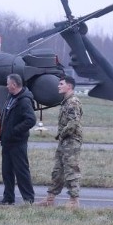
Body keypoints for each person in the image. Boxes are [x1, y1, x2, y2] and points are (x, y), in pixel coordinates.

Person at [37, 75, 83, 208]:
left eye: (61, 84)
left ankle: (74, 200)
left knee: (71, 169)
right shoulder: (66, 101)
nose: (58, 86)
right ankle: (50, 199)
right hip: (65, 140)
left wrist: (61, 134)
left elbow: (73, 122)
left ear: (69, 86)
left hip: (71, 141)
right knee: (58, 170)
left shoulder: (73, 102)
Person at [0, 73, 36, 205]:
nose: (7, 86)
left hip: (17, 142)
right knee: (6, 171)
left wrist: (14, 131)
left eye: (8, 83)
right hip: (7, 142)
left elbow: (31, 120)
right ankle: (8, 198)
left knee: (21, 171)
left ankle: (28, 199)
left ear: (14, 84)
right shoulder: (11, 97)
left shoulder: (24, 100)